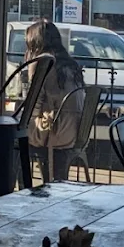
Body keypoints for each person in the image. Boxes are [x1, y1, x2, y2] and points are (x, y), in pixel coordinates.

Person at [23, 19, 86, 181]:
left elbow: (33, 107)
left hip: (53, 130)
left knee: (10, 138)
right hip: (75, 131)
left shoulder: (43, 62)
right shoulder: (71, 64)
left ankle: (19, 191)